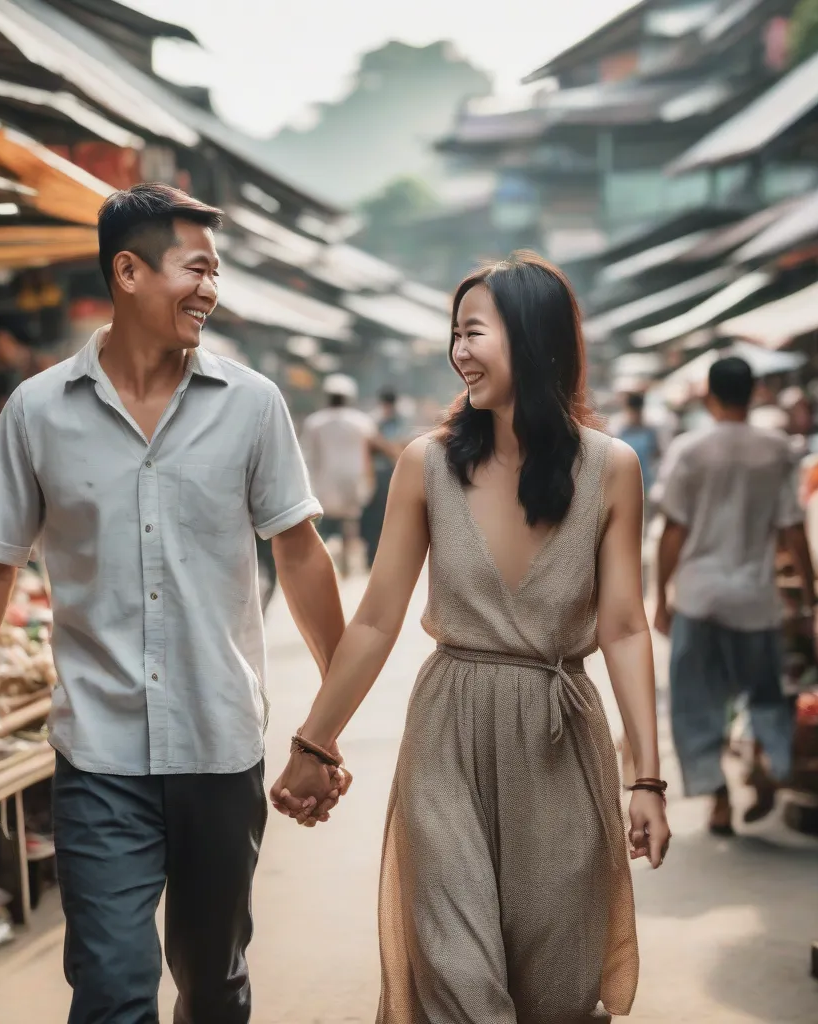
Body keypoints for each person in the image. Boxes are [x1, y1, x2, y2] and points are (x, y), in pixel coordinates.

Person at [0, 183, 348, 1024]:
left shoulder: (254, 405)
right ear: (127, 272)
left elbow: (299, 557)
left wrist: (325, 731)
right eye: (196, 269)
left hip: (219, 747)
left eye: (216, 273)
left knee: (214, 983)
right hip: (99, 755)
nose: (210, 290)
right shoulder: (38, 411)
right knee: (113, 989)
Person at [272, 252, 667, 1023]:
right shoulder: (425, 464)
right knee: (457, 973)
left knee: (553, 984)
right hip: (448, 731)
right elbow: (379, 618)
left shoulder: (612, 468)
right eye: (454, 333)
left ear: (535, 339)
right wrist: (313, 741)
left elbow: (623, 627)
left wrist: (646, 778)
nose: (459, 351)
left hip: (561, 741)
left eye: (475, 332)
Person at [654, 357, 814, 835]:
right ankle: (767, 761)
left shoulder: (690, 449)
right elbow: (791, 528)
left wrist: (661, 596)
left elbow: (673, 530)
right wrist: (809, 596)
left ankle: (719, 798)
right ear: (756, 392)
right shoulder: (778, 449)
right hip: (756, 600)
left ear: (709, 398)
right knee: (765, 694)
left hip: (700, 597)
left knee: (696, 700)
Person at [300, 374, 397, 577]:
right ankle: (345, 563)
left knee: (322, 522)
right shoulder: (360, 421)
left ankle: (318, 561)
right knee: (350, 520)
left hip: (324, 478)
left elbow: (308, 453)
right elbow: (375, 446)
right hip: (354, 478)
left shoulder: (315, 421)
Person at [360, 388, 409, 568]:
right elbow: (371, 445)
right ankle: (372, 555)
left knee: (391, 514)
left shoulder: (401, 420)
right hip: (379, 473)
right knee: (375, 516)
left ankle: (390, 556)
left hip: (393, 471)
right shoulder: (374, 420)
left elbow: (403, 444)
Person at [617, 392, 659, 503]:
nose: (635, 415)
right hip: (623, 483)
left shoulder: (649, 430)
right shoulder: (619, 429)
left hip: (646, 483)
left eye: (638, 412)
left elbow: (656, 453)